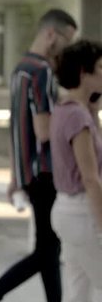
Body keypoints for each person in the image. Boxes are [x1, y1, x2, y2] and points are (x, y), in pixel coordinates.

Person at [0, 8, 77, 302]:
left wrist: (15, 175)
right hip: (47, 172)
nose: (69, 47)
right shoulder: (42, 71)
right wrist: (71, 110)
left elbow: (15, 126)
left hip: (30, 172)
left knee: (48, 249)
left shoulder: (20, 70)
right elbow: (42, 131)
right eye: (67, 39)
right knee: (47, 250)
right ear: (51, 35)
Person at [50, 40, 102, 302]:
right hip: (83, 215)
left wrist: (95, 111)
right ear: (84, 73)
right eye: (101, 68)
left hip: (68, 212)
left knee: (78, 293)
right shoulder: (77, 117)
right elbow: (91, 178)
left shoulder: (66, 110)